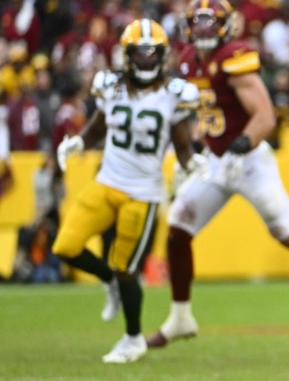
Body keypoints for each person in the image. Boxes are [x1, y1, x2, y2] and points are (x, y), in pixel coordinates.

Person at [147, 0, 289, 348]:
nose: (203, 30)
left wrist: (241, 144)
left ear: (225, 26)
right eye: (197, 23)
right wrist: (197, 148)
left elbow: (264, 117)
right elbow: (208, 112)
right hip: (217, 160)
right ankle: (180, 317)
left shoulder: (234, 57)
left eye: (210, 23)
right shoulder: (188, 61)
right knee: (177, 228)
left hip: (249, 160)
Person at [52, 19, 199, 363]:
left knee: (127, 268)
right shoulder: (110, 87)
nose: (147, 59)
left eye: (152, 53)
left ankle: (133, 339)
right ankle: (109, 282)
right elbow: (97, 129)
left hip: (143, 194)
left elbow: (183, 146)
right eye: (140, 53)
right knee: (66, 246)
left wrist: (194, 163)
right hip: (107, 182)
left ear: (162, 55)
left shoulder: (173, 95)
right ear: (127, 55)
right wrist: (77, 142)